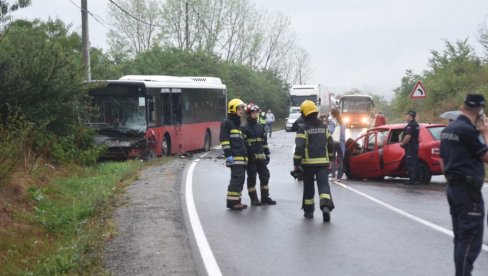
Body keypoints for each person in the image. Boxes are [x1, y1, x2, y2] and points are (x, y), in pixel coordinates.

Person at [440, 93, 488, 276]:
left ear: (463, 107)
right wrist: (485, 132)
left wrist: (452, 179)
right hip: (469, 192)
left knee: (460, 237)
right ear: (479, 110)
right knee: (470, 239)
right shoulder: (468, 131)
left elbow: (442, 160)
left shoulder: (448, 130)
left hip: (454, 188)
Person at [292, 100, 335, 222]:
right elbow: (330, 143)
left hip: (308, 164)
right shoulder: (324, 127)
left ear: (305, 114)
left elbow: (299, 147)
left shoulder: (303, 129)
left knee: (309, 187)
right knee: (323, 185)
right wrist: (330, 159)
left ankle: (309, 211)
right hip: (323, 163)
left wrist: (296, 163)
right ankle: (326, 206)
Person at [242, 103, 276, 206]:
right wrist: (249, 155)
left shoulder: (260, 127)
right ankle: (254, 199)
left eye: (257, 112)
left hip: (261, 158)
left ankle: (265, 198)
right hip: (250, 159)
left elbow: (264, 142)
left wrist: (267, 154)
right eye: (253, 112)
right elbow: (244, 144)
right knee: (252, 178)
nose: (256, 114)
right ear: (249, 114)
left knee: (265, 176)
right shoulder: (244, 128)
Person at [220, 98, 248, 210]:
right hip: (234, 158)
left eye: (242, 108)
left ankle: (237, 201)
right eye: (240, 108)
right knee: (236, 179)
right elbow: (224, 140)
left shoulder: (238, 125)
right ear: (233, 109)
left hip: (241, 158)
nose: (242, 111)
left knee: (240, 179)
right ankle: (232, 202)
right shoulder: (227, 122)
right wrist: (228, 155)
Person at [400, 109, 420, 185]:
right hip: (414, 146)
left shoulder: (411, 125)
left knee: (411, 164)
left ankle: (412, 180)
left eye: (407, 115)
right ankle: (416, 179)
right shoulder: (416, 124)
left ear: (410, 116)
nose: (406, 117)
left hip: (410, 147)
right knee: (415, 163)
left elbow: (408, 136)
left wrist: (402, 143)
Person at [329, 108, 346, 180]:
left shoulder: (332, 121)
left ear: (332, 114)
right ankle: (339, 176)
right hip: (341, 142)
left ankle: (333, 176)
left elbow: (331, 131)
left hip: (333, 142)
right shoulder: (342, 122)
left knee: (333, 159)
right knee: (340, 159)